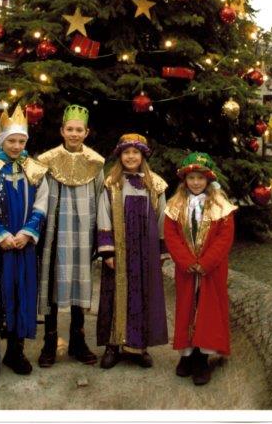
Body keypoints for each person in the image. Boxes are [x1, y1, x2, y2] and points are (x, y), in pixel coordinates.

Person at [0, 104, 48, 380]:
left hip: (24, 245)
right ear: (1, 140)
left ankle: (15, 351)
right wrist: (0, 236)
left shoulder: (34, 169)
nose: (16, 146)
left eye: (21, 141)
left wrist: (27, 233)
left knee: (21, 292)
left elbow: (42, 203)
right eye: (11, 141)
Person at [36, 104, 105, 367]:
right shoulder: (46, 161)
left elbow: (100, 199)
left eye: (79, 130)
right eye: (70, 129)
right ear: (62, 131)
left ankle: (78, 339)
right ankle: (49, 341)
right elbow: (40, 195)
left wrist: (100, 235)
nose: (74, 134)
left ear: (86, 132)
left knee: (80, 280)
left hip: (83, 232)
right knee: (53, 281)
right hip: (55, 230)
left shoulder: (96, 163)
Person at [97, 133, 169, 369]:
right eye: (126, 152)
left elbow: (162, 218)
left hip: (145, 250)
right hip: (119, 250)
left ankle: (139, 347)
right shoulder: (112, 182)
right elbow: (104, 213)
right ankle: (113, 345)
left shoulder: (155, 184)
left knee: (142, 294)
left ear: (142, 156)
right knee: (116, 294)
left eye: (135, 152)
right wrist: (107, 251)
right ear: (120, 155)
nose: (130, 156)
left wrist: (160, 250)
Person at [164, 152, 237, 385]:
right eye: (191, 178)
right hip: (186, 270)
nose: (195, 182)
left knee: (208, 309)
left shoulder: (220, 206)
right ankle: (186, 356)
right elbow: (171, 236)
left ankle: (202, 357)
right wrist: (186, 261)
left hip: (211, 270)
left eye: (200, 178)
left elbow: (224, 239)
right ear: (185, 180)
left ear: (208, 180)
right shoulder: (175, 205)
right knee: (187, 307)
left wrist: (205, 263)